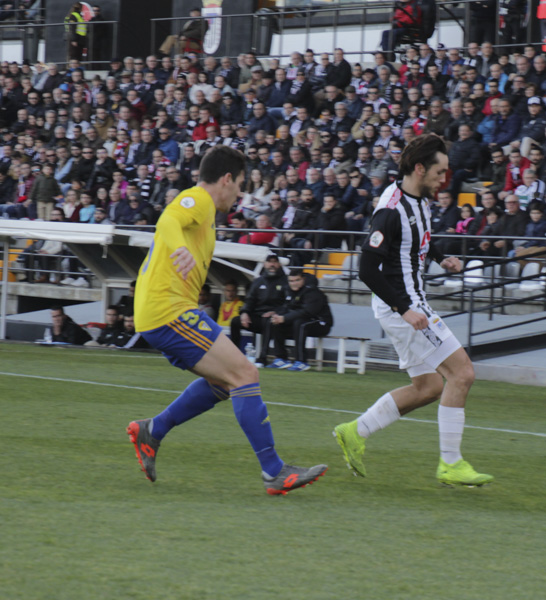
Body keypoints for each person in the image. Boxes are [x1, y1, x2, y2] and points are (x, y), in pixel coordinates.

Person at [126, 146, 326, 496]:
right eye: (240, 185)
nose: (240, 194)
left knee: (226, 382)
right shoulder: (198, 200)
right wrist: (179, 248)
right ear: (227, 179)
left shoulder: (204, 211)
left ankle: (153, 430)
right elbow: (167, 221)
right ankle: (274, 472)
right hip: (167, 310)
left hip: (163, 311)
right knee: (246, 374)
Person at [333, 134, 493, 487]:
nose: (444, 179)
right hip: (403, 306)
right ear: (420, 169)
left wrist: (439, 257)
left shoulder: (418, 198)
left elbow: (416, 237)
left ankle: (354, 432)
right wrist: (404, 308)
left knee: (428, 387)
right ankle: (450, 463)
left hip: (408, 302)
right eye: (440, 171)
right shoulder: (390, 209)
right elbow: (365, 270)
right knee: (462, 374)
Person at [268, 269, 333, 372]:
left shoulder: (312, 292)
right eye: (291, 281)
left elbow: (307, 312)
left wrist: (284, 318)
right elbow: (286, 307)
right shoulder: (289, 291)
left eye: (297, 280)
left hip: (321, 322)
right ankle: (281, 358)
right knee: (277, 323)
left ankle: (301, 361)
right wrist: (278, 316)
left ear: (303, 279)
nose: (293, 283)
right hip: (301, 321)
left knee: (300, 324)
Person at [231, 254, 288, 361]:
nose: (272, 264)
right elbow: (250, 300)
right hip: (257, 316)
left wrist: (275, 312)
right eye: (269, 262)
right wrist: (244, 312)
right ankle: (235, 355)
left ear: (279, 264)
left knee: (268, 320)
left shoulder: (285, 281)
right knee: (235, 321)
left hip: (275, 318)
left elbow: (288, 303)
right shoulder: (258, 281)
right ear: (265, 264)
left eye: (275, 262)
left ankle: (262, 357)